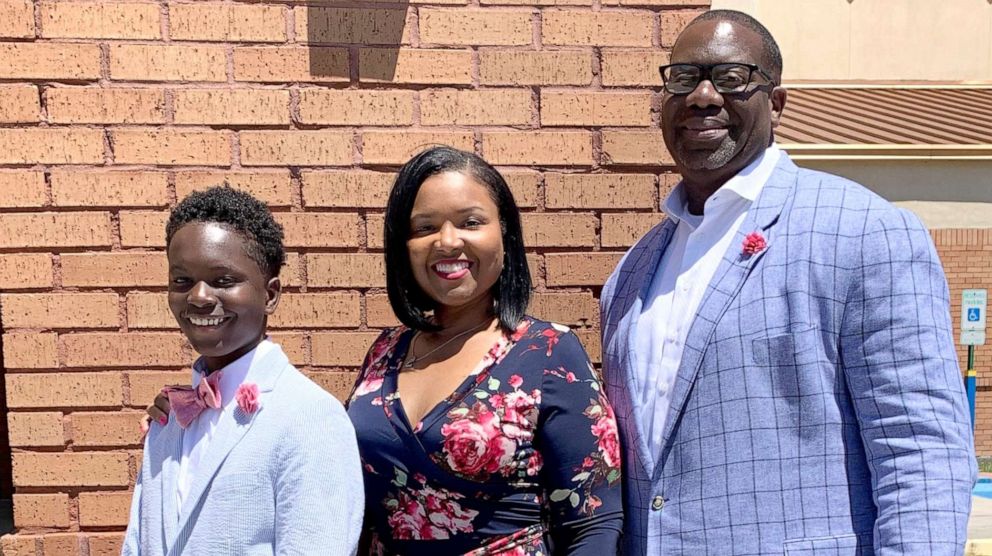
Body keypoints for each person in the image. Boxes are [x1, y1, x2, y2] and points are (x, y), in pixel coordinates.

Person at [600, 10, 976, 555]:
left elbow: (920, 453)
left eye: (731, 79)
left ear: (775, 105)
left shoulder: (864, 231)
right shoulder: (634, 271)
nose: (703, 96)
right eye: (684, 78)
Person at [347, 146, 623, 554]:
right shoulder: (385, 353)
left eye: (470, 222)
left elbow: (594, 523)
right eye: (424, 228)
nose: (447, 241)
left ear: (505, 233)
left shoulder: (548, 352)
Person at [125, 186, 364, 555]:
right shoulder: (169, 419)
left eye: (223, 281)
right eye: (182, 281)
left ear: (269, 295)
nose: (199, 297)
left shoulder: (310, 417)